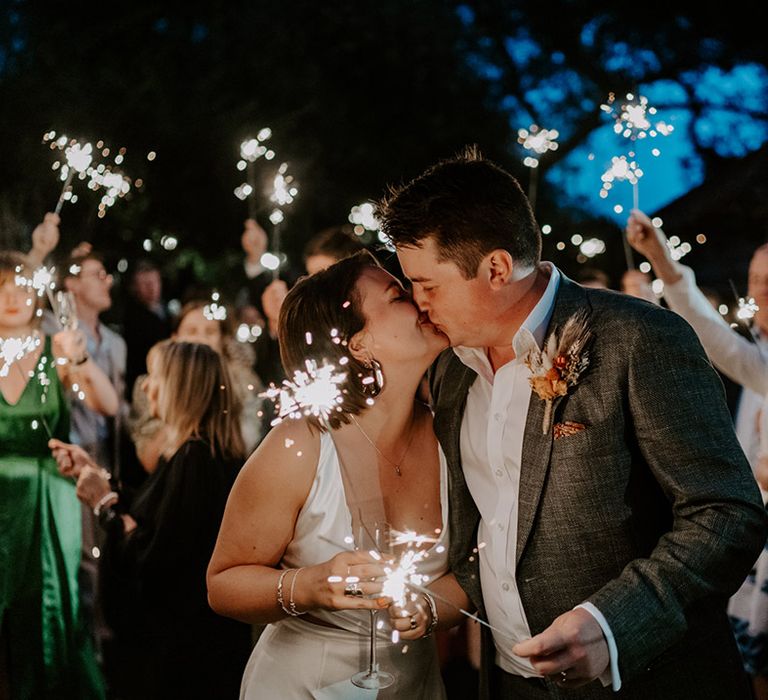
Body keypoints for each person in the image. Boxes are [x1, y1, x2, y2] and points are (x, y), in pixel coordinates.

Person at [377, 148, 768, 699]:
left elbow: (727, 512)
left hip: (646, 679)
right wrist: (438, 594)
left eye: (428, 285)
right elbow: (495, 530)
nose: (419, 305)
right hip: (511, 683)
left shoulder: (639, 339)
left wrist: (611, 623)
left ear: (495, 268)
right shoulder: (451, 371)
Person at [207, 251, 471, 698]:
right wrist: (307, 586)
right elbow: (222, 584)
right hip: (302, 685)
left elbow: (476, 572)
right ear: (359, 344)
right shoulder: (301, 445)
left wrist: (430, 606)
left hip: (414, 686)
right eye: (398, 295)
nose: (420, 300)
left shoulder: (453, 434)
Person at [49, 340, 252, 699]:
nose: (144, 386)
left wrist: (105, 504)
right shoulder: (198, 451)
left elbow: (153, 558)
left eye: (155, 376)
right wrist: (97, 474)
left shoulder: (195, 459)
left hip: (185, 657)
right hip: (195, 647)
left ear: (182, 388)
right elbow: (158, 514)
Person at [625, 209, 768, 698]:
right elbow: (720, 345)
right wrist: (662, 264)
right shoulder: (761, 359)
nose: (761, 291)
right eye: (755, 280)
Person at [0, 250, 118, 699]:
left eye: (22, 288)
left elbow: (107, 406)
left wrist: (82, 360)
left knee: (51, 615)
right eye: (2, 289)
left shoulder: (58, 350)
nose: (12, 298)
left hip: (50, 503)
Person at [129, 299, 266, 473]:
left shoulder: (243, 385)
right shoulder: (153, 387)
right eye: (191, 331)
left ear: (222, 340)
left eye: (209, 332)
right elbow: (150, 461)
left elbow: (248, 449)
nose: (200, 339)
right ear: (175, 338)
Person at [123, 259, 171, 399]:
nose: (151, 288)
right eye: (145, 284)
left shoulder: (165, 311)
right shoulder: (134, 318)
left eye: (154, 282)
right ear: (135, 288)